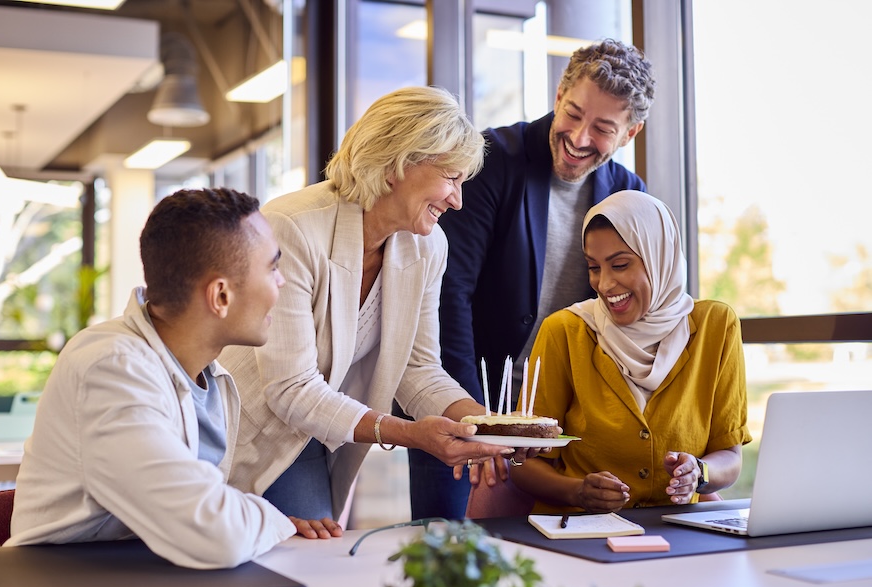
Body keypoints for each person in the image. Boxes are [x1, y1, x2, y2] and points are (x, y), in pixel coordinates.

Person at [218, 86, 527, 533]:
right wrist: (406, 434)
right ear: (400, 162)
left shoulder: (427, 245)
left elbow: (418, 369)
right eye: (451, 178)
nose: (458, 200)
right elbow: (289, 389)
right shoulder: (292, 227)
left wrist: (490, 427)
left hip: (320, 429)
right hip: (253, 429)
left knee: (312, 558)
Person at [412, 38, 658, 520]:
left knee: (547, 565)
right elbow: (449, 294)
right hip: (462, 398)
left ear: (630, 133)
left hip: (560, 421)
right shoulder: (491, 160)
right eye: (573, 112)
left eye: (603, 128)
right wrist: (475, 421)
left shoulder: (630, 194)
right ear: (560, 92)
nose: (579, 137)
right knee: (446, 553)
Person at [6, 188, 298, 569]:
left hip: (147, 571)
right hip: (64, 581)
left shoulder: (209, 374)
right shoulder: (111, 369)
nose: (283, 282)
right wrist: (275, 520)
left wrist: (246, 519)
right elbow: (215, 535)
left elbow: (206, 514)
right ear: (220, 296)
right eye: (272, 267)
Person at [509, 190, 752, 512]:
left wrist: (700, 472)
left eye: (620, 265)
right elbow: (524, 463)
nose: (605, 284)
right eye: (594, 267)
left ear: (658, 256)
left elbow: (730, 458)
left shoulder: (716, 326)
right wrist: (577, 491)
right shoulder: (565, 331)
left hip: (677, 535)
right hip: (580, 534)